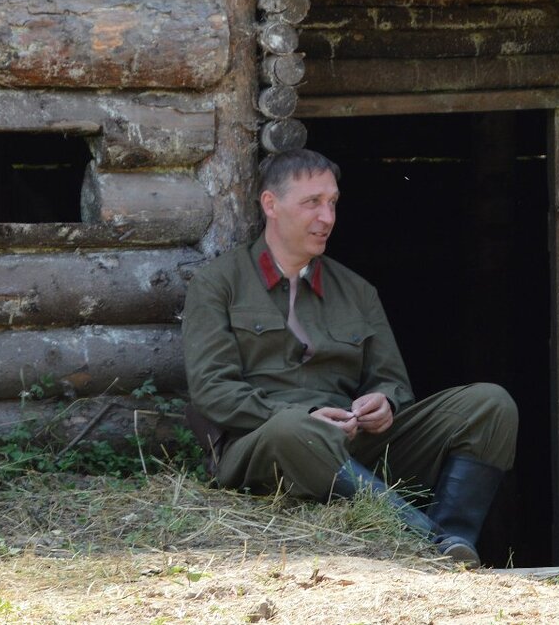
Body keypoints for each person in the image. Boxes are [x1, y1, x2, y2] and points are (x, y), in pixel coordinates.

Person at [181, 148, 518, 566]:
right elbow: (213, 390)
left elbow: (392, 381)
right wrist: (306, 415)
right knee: (294, 429)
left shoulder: (357, 291)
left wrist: (385, 403)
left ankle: (455, 540)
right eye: (312, 203)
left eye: (333, 203)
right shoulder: (218, 283)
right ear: (271, 204)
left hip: (348, 446)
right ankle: (427, 545)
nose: (328, 218)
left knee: (490, 404)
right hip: (266, 445)